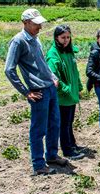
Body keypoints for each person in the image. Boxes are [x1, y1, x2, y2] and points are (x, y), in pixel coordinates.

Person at [4, 8, 68, 176]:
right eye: (36, 24)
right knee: (38, 129)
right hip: (38, 91)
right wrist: (26, 92)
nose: (40, 27)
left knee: (54, 124)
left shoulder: (36, 39)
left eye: (40, 24)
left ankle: (52, 156)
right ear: (25, 23)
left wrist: (53, 77)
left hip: (50, 87)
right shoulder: (18, 41)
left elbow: (42, 64)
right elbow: (9, 70)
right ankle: (39, 164)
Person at [46, 25, 85, 160]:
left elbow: (75, 72)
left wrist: (78, 87)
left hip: (72, 93)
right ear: (56, 37)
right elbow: (53, 76)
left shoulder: (68, 52)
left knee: (69, 121)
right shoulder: (53, 54)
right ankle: (67, 150)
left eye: (68, 37)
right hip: (62, 96)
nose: (66, 40)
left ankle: (72, 144)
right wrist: (66, 89)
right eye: (63, 37)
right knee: (64, 123)